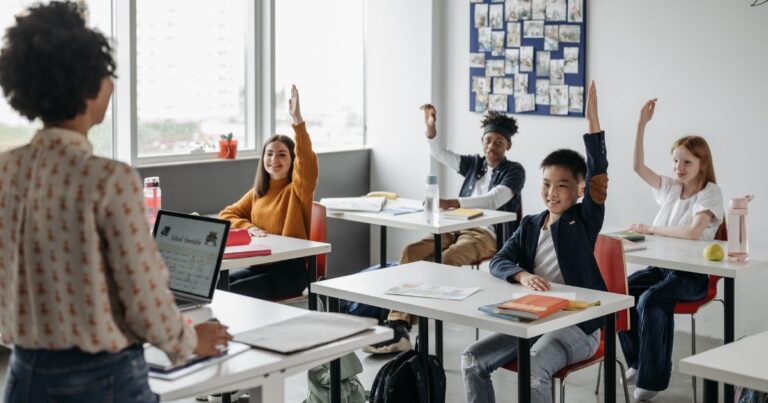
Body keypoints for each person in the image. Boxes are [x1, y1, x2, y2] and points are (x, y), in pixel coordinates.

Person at [0, 3, 231, 402]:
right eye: (108, 74)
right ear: (88, 86)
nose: (112, 84)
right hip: (102, 379)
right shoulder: (109, 179)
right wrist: (190, 339)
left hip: (23, 375)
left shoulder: (6, 171)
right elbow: (143, 295)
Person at [461, 81, 607, 403]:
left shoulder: (584, 221)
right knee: (472, 359)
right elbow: (499, 261)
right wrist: (523, 275)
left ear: (580, 190)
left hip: (579, 325)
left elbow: (598, 174)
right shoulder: (530, 224)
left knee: (534, 366)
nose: (552, 193)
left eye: (562, 186)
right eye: (546, 184)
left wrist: (593, 122)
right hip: (534, 318)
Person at [365, 106, 526, 354]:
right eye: (488, 140)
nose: (491, 147)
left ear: (508, 146)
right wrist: (431, 129)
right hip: (454, 225)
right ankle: (398, 325)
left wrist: (453, 202)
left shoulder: (514, 171)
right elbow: (440, 153)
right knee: (412, 252)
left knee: (445, 259)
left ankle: (401, 326)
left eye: (498, 142)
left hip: (486, 235)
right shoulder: (475, 164)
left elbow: (494, 199)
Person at [618, 99, 724, 401]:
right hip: (661, 268)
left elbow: (692, 232)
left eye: (687, 162)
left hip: (693, 275)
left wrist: (651, 229)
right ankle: (638, 362)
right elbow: (637, 167)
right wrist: (641, 124)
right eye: (676, 161)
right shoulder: (670, 188)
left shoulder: (710, 193)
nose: (679, 167)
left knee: (652, 299)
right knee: (620, 293)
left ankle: (653, 379)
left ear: (703, 164)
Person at [218, 85, 318, 300]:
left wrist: (298, 122)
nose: (274, 159)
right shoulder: (259, 192)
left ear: (292, 160)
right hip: (260, 266)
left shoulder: (298, 190)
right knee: (214, 286)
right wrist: (249, 227)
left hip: (288, 275)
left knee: (229, 294)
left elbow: (307, 163)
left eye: (282, 154)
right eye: (269, 154)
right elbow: (226, 214)